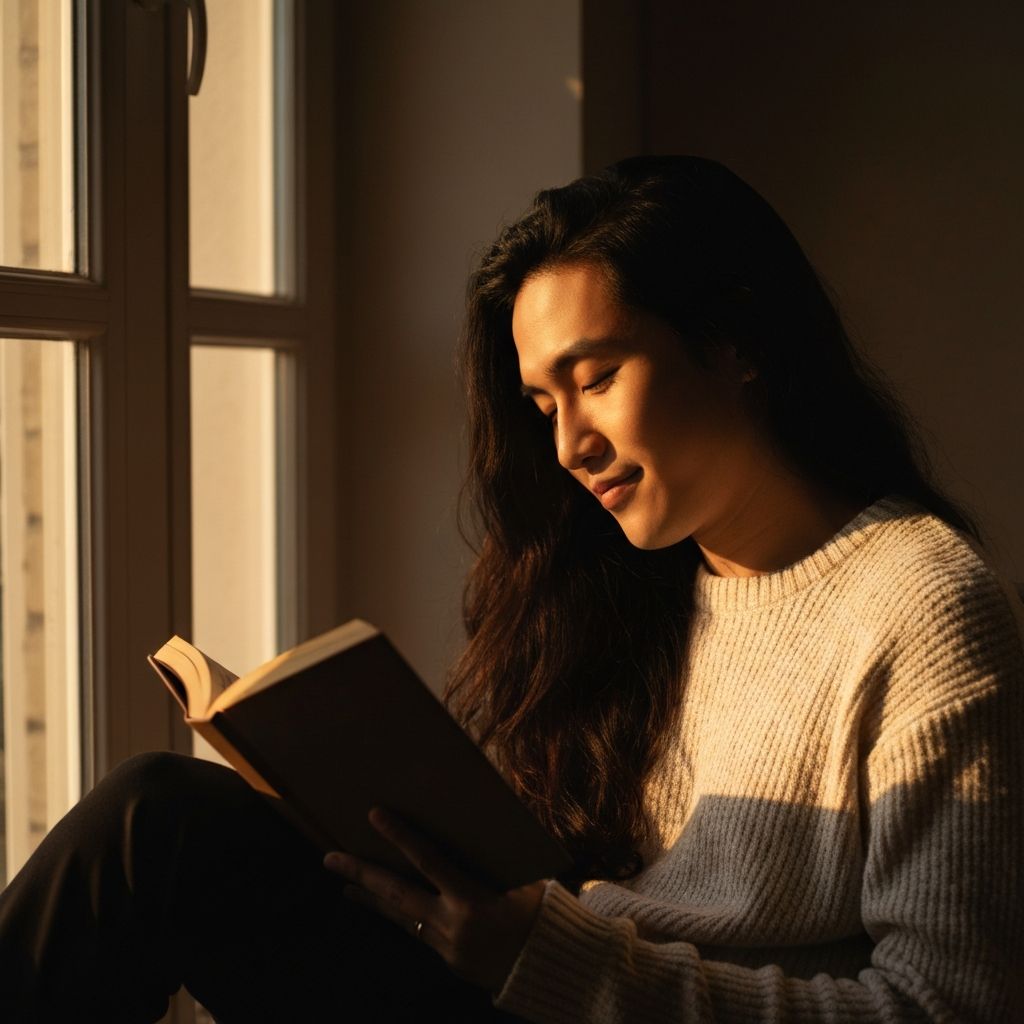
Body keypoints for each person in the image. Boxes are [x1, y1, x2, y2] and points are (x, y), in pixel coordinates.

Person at [1, 155, 1021, 1022]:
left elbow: (946, 1005)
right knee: (163, 821)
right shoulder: (632, 587)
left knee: (157, 823)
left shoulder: (921, 607)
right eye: (543, 401)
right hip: (528, 991)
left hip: (566, 998)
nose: (570, 444)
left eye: (597, 376)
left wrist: (556, 958)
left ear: (733, 343)